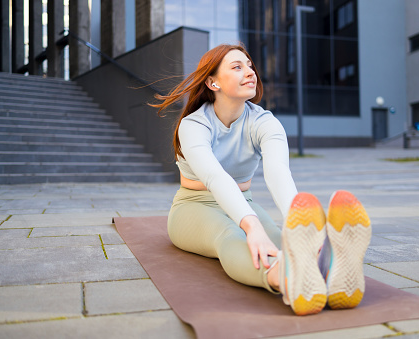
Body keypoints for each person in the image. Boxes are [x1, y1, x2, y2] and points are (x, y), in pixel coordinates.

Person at [152, 43, 372, 316]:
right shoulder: (194, 125)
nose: (250, 72)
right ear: (212, 82)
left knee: (281, 239)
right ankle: (286, 278)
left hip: (244, 201)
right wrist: (251, 226)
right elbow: (215, 177)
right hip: (193, 207)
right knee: (232, 236)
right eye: (237, 67)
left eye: (250, 66)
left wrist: (294, 221)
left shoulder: (265, 122)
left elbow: (278, 172)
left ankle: (325, 266)